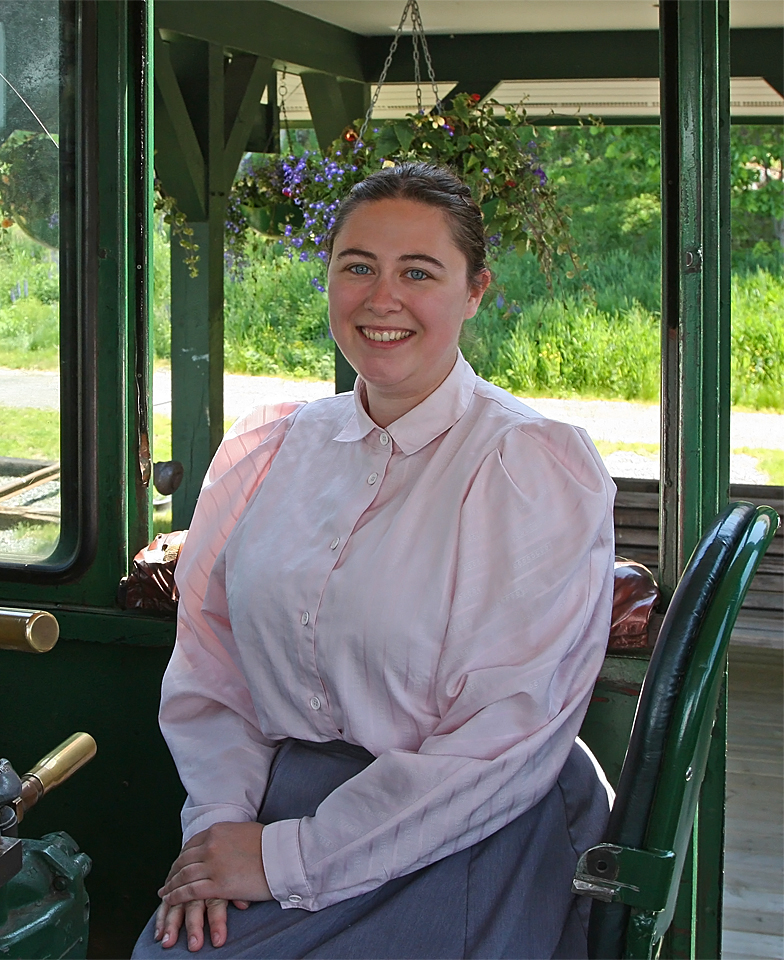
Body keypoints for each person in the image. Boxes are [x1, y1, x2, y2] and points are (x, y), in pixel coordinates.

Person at [131, 162, 616, 959]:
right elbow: (214, 667)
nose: (381, 298)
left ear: (474, 291)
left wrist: (286, 859)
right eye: (358, 267)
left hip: (475, 822)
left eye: (418, 272)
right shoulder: (275, 447)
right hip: (288, 801)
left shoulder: (527, 466)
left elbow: (506, 732)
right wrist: (219, 824)